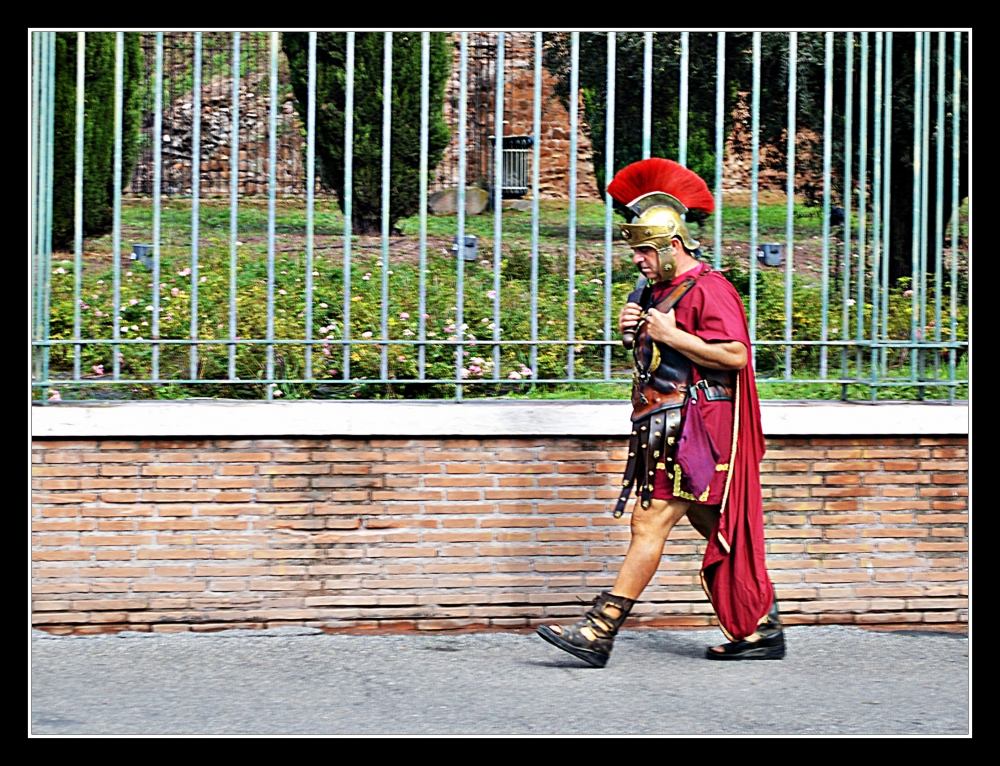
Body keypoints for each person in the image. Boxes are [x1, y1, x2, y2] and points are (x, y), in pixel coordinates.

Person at [536, 158, 784, 667]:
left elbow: (736, 355)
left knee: (647, 525)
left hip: (693, 431)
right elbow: (659, 361)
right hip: (662, 424)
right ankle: (762, 628)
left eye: (646, 251)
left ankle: (598, 631)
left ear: (674, 244)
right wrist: (637, 334)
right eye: (636, 252)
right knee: (719, 525)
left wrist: (673, 334)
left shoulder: (710, 289)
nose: (639, 261)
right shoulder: (656, 290)